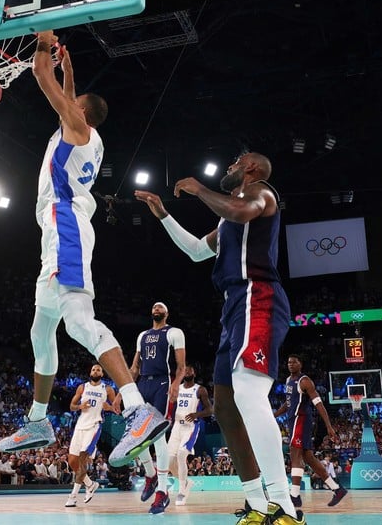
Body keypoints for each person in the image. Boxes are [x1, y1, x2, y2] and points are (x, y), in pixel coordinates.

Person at [0, 31, 168, 469]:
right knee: (41, 329)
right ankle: (38, 421)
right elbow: (67, 99)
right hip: (56, 227)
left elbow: (39, 74)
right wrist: (69, 70)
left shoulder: (77, 127)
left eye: (73, 102)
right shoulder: (83, 134)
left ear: (81, 113)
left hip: (66, 224)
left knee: (78, 323)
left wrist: (43, 43)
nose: (67, 105)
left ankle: (136, 409)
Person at [135, 152, 304, 525]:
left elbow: (242, 211)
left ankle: (285, 505)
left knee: (248, 394)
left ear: (251, 168)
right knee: (226, 408)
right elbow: (197, 251)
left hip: (257, 297)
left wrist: (198, 189)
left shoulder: (262, 193)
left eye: (234, 163)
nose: (228, 167)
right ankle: (257, 504)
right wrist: (163, 214)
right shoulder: (228, 219)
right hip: (233, 308)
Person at [128, 301, 186, 514]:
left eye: (161, 307)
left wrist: (176, 384)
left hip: (163, 383)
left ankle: (162, 491)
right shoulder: (142, 336)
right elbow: (134, 367)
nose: (157, 309)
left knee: (158, 435)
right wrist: (120, 393)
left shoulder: (174, 332)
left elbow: (181, 366)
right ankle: (150, 474)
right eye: (154, 307)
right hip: (143, 383)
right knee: (138, 435)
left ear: (166, 313)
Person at [273, 355, 347, 507]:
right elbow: (287, 404)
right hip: (292, 420)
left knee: (295, 455)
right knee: (308, 458)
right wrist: (273, 415)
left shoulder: (305, 381)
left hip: (301, 421)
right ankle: (337, 489)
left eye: (294, 362)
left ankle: (294, 495)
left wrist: (328, 426)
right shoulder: (288, 381)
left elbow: (318, 404)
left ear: (301, 364)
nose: (291, 364)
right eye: (289, 362)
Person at [64, 364, 118, 507]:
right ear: (90, 372)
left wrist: (110, 408)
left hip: (94, 427)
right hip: (80, 426)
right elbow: (71, 406)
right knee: (72, 461)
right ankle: (90, 484)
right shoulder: (83, 387)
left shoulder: (107, 389)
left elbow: (118, 409)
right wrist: (79, 407)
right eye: (93, 369)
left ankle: (73, 496)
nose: (95, 371)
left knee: (82, 460)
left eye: (98, 369)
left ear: (102, 373)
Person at [167, 364, 212, 506]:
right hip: (176, 426)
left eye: (189, 370)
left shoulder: (200, 390)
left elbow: (210, 409)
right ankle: (186, 482)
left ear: (194, 373)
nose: (187, 372)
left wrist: (196, 414)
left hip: (191, 427)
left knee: (181, 454)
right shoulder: (177, 388)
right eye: (185, 370)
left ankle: (181, 492)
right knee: (168, 461)